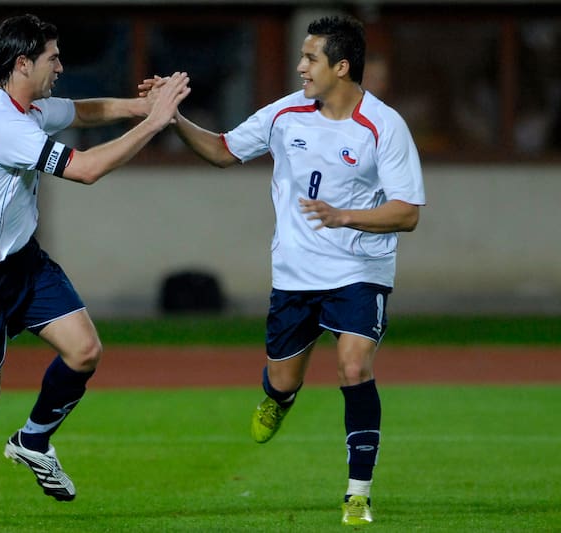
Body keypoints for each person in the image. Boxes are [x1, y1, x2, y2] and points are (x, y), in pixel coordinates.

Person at [143, 14, 425, 526]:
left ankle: (357, 493)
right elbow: (225, 151)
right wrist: (173, 120)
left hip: (361, 267)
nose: (299, 67)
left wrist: (346, 217)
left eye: (310, 58)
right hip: (295, 275)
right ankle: (278, 396)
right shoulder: (285, 114)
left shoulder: (383, 126)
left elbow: (407, 212)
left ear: (342, 66)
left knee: (355, 367)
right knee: (282, 376)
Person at [0, 13, 189, 521]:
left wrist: (143, 105)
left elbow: (85, 112)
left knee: (85, 350)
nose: (61, 66)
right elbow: (85, 170)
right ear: (23, 63)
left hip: (23, 264)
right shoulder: (2, 121)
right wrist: (155, 123)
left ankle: (33, 439)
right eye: (53, 57)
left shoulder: (31, 107)